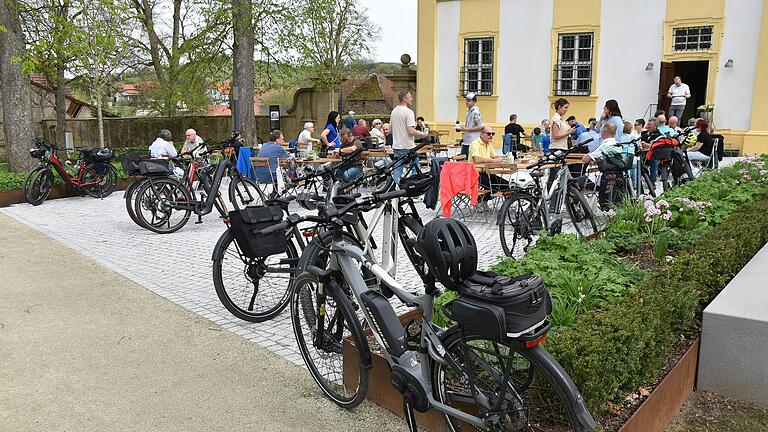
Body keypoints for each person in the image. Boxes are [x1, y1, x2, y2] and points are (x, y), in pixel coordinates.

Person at [390, 90, 428, 183]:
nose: (412, 98)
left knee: (398, 170)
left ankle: (397, 190)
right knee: (415, 169)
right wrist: (422, 134)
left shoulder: (394, 111)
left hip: (396, 146)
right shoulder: (409, 112)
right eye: (410, 96)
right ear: (404, 99)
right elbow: (410, 131)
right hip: (407, 146)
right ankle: (411, 189)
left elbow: (390, 130)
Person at [469, 125, 506, 212]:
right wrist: (492, 160)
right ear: (481, 134)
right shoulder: (475, 144)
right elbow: (477, 160)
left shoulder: (488, 144)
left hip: (486, 172)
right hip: (475, 174)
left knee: (504, 185)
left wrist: (503, 158)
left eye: (493, 134)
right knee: (494, 186)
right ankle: (478, 200)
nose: (491, 136)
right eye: (489, 134)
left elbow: (495, 156)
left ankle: (483, 200)